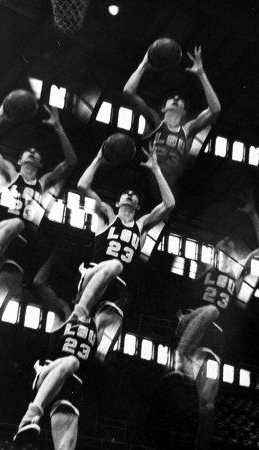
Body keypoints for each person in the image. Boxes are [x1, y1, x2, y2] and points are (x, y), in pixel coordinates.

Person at [172, 191, 259, 450]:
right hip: (193, 325)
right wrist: (183, 316)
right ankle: (178, 359)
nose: (226, 241)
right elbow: (186, 294)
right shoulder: (205, 268)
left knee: (208, 406)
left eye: (230, 241)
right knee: (211, 311)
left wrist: (253, 214)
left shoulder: (237, 273)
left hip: (213, 343)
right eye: (223, 240)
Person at [73, 140, 175, 361]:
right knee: (115, 264)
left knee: (101, 349)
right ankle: (80, 309)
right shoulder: (107, 215)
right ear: (118, 202)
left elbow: (169, 204)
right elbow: (82, 186)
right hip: (94, 276)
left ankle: (90, 366)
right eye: (125, 194)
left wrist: (156, 169)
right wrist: (99, 158)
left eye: (133, 194)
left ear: (138, 205)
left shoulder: (141, 225)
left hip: (117, 291)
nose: (129, 194)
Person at [0, 103, 77, 305]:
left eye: (35, 153)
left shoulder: (44, 183)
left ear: (41, 164)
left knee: (8, 300)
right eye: (27, 151)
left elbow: (71, 162)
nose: (31, 152)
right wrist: (1, 114)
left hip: (20, 246)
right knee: (16, 223)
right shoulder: (9, 174)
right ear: (19, 160)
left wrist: (58, 127)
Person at [123, 45, 221, 188]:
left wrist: (201, 74)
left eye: (179, 100)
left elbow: (215, 109)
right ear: (163, 108)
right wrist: (144, 65)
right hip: (146, 180)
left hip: (173, 184)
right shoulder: (154, 121)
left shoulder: (188, 129)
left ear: (184, 111)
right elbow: (128, 92)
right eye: (172, 98)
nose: (176, 99)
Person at [13, 312, 97, 449]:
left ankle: (32, 418)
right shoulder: (65, 311)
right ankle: (30, 416)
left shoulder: (96, 322)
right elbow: (43, 291)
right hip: (49, 371)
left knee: (66, 447)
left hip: (72, 386)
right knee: (73, 361)